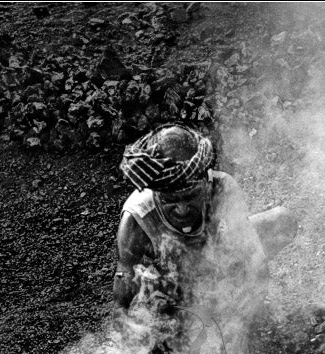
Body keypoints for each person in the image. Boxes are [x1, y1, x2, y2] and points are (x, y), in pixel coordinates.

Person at [113, 123, 296, 315]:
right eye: (170, 200)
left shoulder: (221, 187)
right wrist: (124, 328)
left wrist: (251, 306)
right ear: (156, 193)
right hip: (170, 286)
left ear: (206, 182)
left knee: (282, 221)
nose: (182, 209)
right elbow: (124, 284)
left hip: (215, 266)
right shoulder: (137, 217)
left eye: (190, 197)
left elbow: (250, 248)